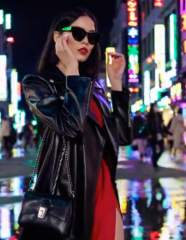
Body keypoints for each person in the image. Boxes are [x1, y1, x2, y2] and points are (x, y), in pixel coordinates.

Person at [19, 8, 131, 240]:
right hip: (67, 197)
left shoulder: (92, 88)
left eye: (92, 37)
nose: (86, 42)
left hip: (103, 189)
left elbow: (122, 137)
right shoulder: (38, 84)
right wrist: (71, 72)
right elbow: (70, 126)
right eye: (79, 33)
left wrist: (117, 84)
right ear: (58, 37)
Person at [147, 103, 167, 170]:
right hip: (153, 135)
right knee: (154, 150)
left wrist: (166, 132)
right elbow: (148, 126)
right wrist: (149, 133)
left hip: (160, 134)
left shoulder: (159, 115)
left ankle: (154, 160)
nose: (156, 108)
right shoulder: (150, 116)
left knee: (162, 149)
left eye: (157, 106)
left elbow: (162, 125)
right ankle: (154, 163)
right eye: (155, 106)